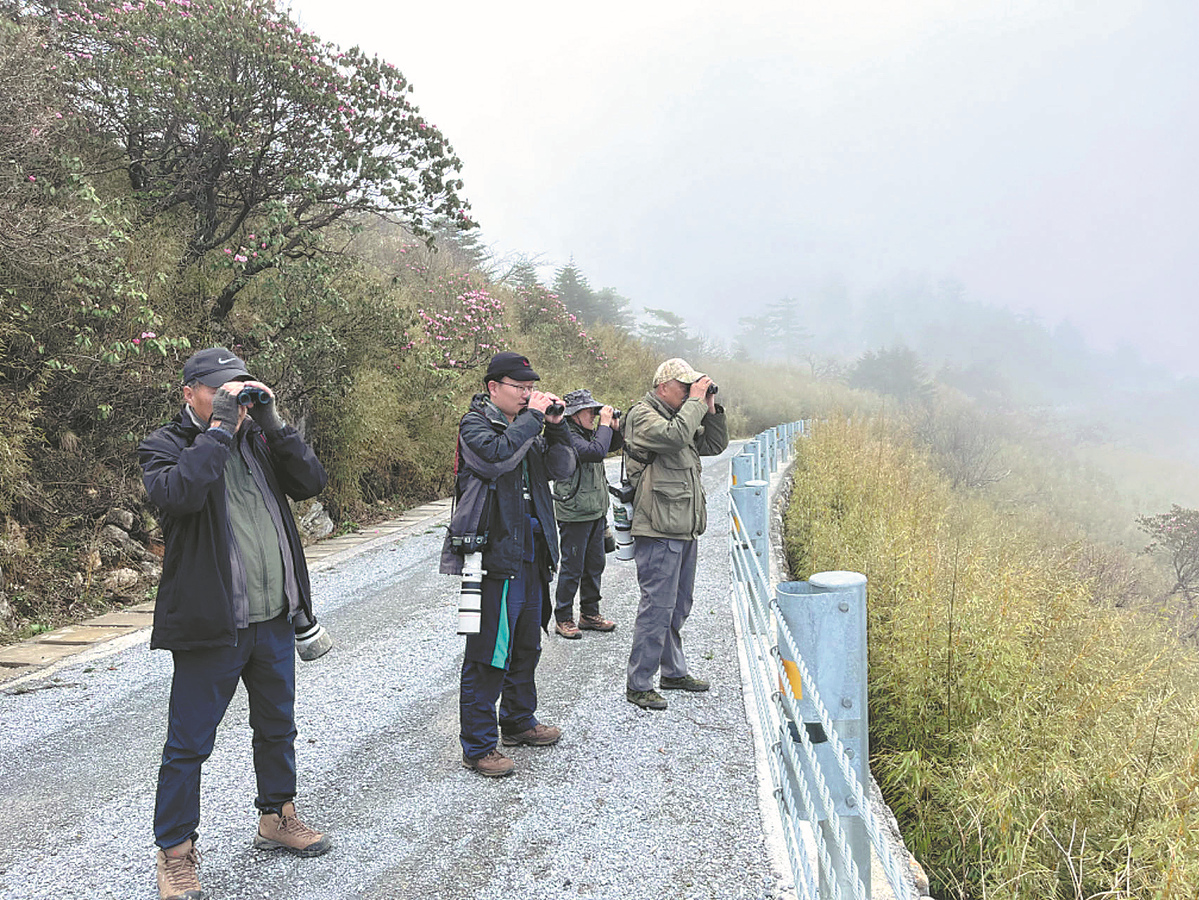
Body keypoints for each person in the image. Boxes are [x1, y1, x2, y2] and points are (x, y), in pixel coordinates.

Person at [138, 347, 331, 900]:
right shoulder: (165, 446)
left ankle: (277, 817)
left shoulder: (260, 439)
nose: (233, 399)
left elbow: (311, 481)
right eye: (220, 390)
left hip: (272, 618)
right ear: (189, 393)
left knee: (277, 727)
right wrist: (220, 430)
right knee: (189, 745)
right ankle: (176, 855)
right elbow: (180, 494)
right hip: (212, 624)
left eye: (239, 389)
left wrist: (271, 420)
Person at [445, 351, 576, 777]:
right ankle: (479, 745)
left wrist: (556, 429)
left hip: (532, 552)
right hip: (494, 555)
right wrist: (532, 420)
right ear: (493, 388)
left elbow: (564, 468)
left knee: (527, 644)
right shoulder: (475, 425)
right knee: (488, 651)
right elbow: (494, 459)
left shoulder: (530, 427)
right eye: (519, 387)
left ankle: (518, 721)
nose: (527, 394)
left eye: (531, 388)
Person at [622, 358, 729, 711]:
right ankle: (640, 683)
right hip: (657, 527)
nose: (688, 393)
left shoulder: (682, 414)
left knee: (679, 604)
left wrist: (710, 408)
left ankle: (673, 671)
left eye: (691, 387)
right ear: (662, 385)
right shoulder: (643, 415)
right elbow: (675, 437)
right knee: (657, 607)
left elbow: (714, 445)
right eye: (684, 387)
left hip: (683, 526)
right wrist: (696, 404)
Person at [551, 389, 623, 639]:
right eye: (589, 411)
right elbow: (595, 452)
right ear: (574, 414)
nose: (593, 415)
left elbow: (610, 445)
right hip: (574, 512)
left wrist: (613, 427)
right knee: (572, 567)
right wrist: (604, 424)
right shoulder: (567, 435)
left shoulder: (586, 433)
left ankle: (590, 614)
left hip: (594, 511)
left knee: (595, 565)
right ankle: (563, 618)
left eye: (595, 411)